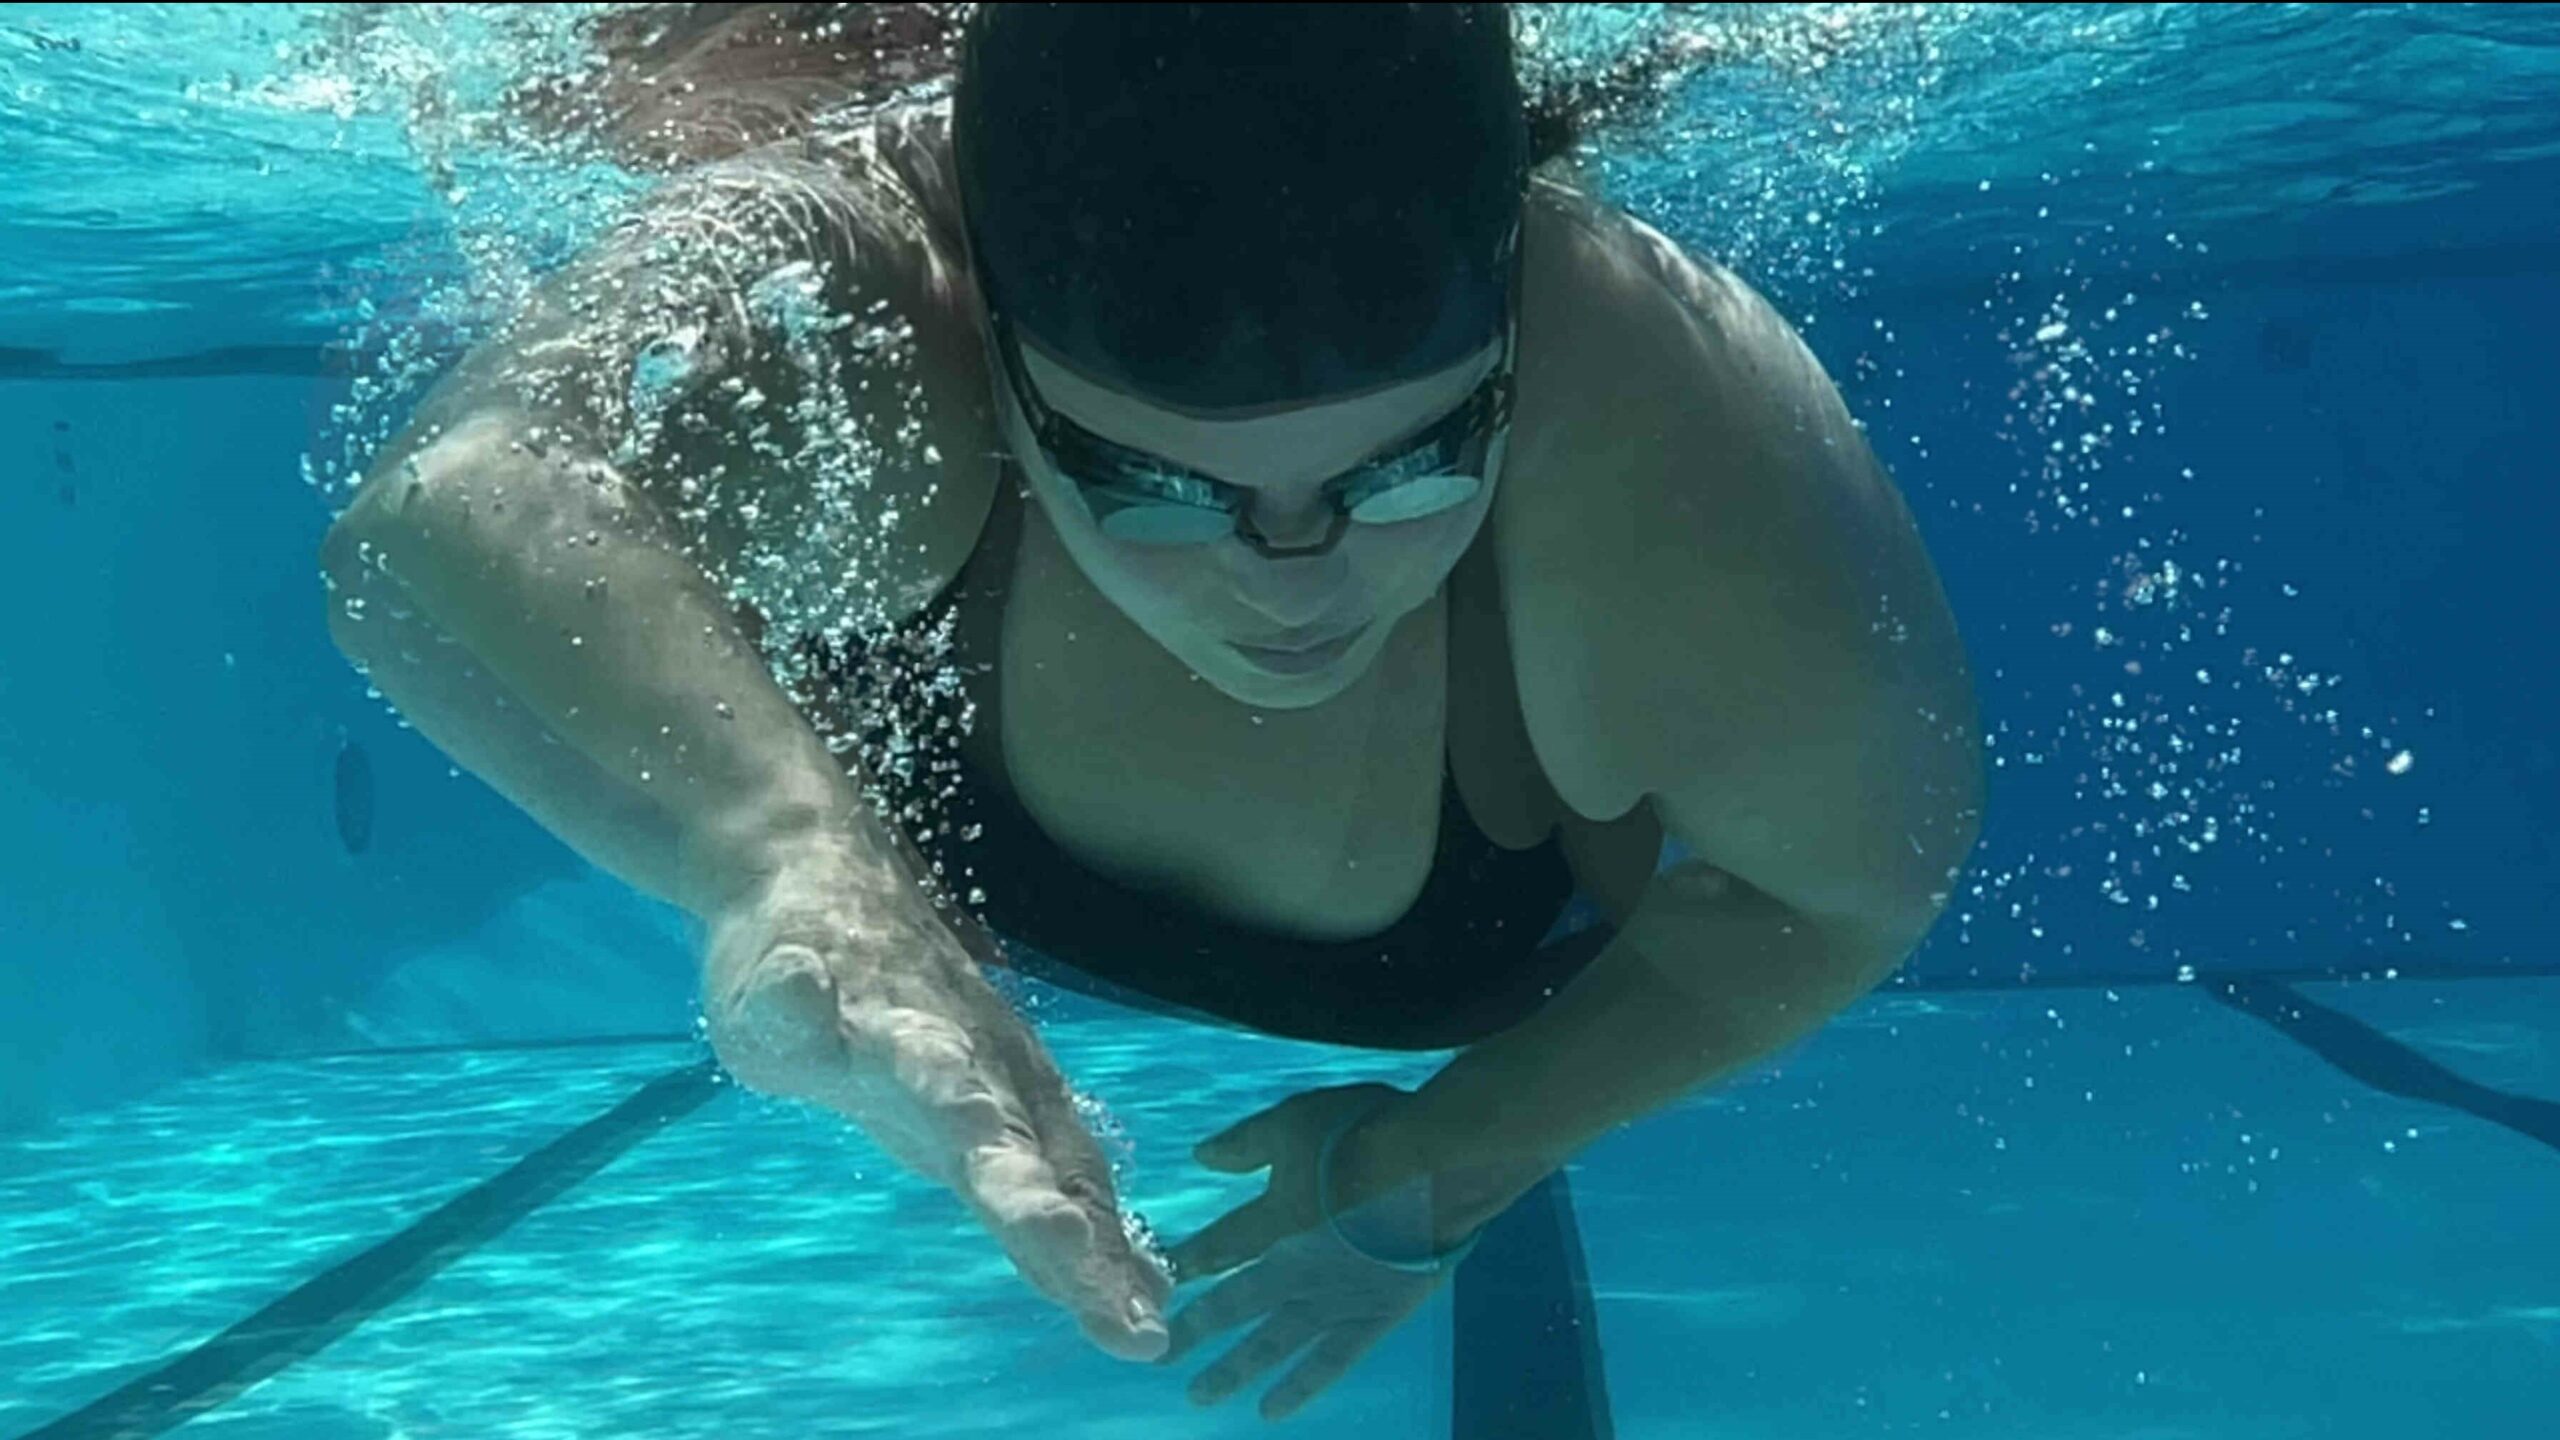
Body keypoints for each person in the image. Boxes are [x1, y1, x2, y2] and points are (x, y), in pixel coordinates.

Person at [321, 3, 1982, 1422]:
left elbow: (1838, 892)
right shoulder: (876, 294)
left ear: (1508, 358)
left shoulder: (1659, 433)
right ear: (1004, 361)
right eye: (1150, 481)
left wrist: (1450, 1160)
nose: (1294, 578)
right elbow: (447, 510)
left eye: (1405, 468)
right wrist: (785, 865)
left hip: (1496, 893)